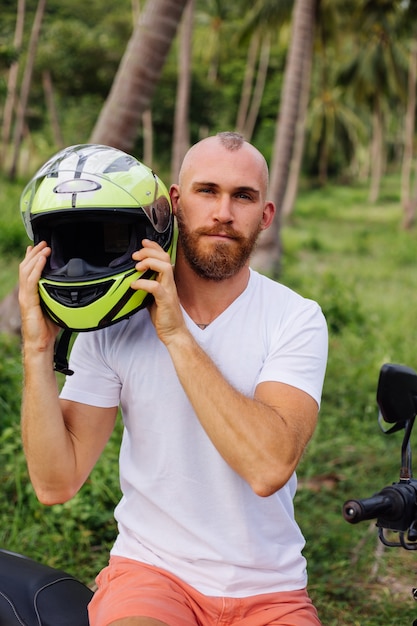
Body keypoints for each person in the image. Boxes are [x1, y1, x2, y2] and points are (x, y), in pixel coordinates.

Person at [19, 132, 328, 626]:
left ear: (265, 216)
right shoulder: (115, 320)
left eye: (243, 196)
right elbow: (56, 483)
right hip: (152, 575)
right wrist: (37, 349)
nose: (223, 212)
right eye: (208, 191)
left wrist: (177, 335)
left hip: (270, 589)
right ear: (175, 204)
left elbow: (269, 467)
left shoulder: (295, 318)